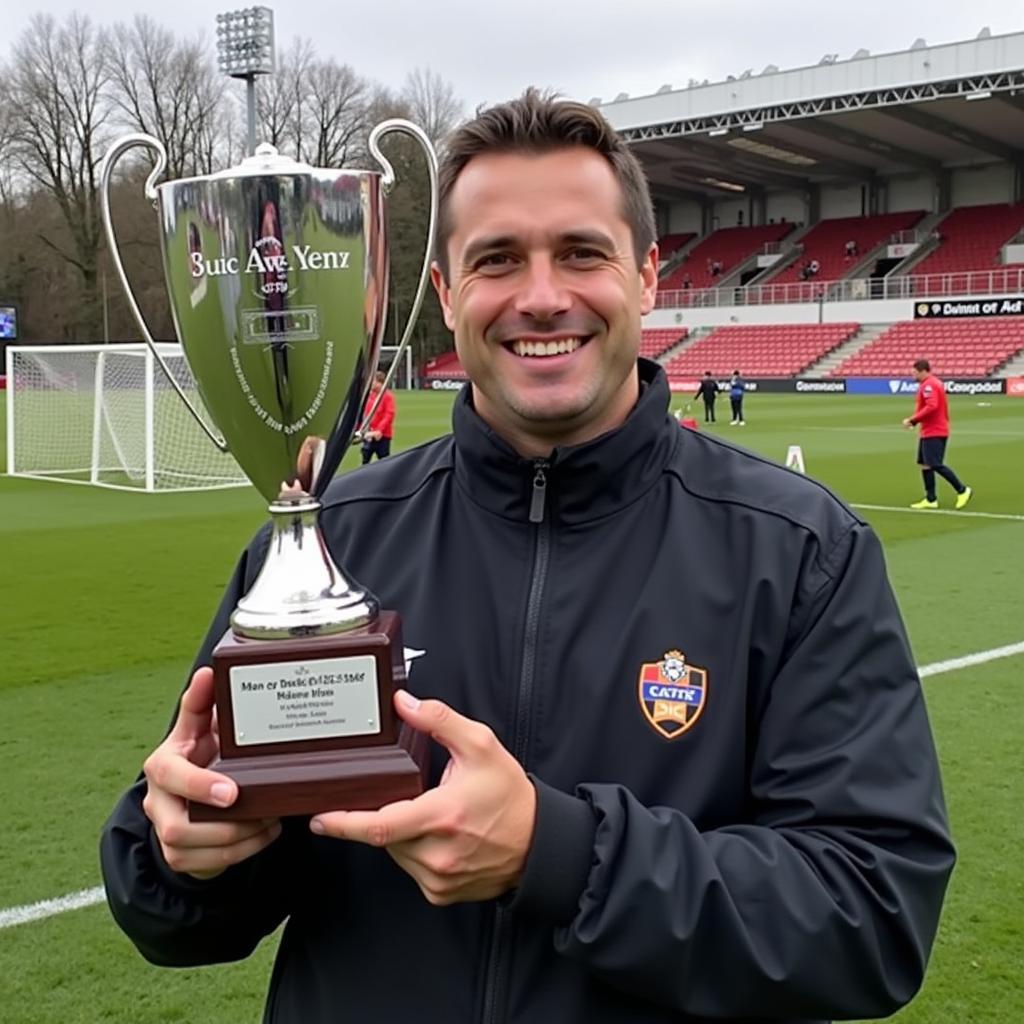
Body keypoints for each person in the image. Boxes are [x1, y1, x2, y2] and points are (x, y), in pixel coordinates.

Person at [100, 89, 953, 1024]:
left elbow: (873, 916)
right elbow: (177, 918)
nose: (542, 296)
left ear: (648, 276)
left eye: (582, 252)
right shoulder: (329, 537)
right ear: (446, 293)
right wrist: (185, 846)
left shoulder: (799, 552)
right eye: (498, 259)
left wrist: (560, 855)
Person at [903, 358, 972, 510]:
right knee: (924, 463)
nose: (912, 375)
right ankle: (931, 498)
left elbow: (932, 406)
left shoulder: (929, 385)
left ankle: (962, 490)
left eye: (914, 372)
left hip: (934, 431)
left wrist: (913, 419)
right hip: (929, 430)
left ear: (922, 371)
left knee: (935, 464)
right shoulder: (932, 383)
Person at [359, 369, 396, 463]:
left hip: (382, 435)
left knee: (384, 461)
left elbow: (389, 414)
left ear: (379, 383)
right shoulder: (369, 396)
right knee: (365, 460)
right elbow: (364, 415)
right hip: (369, 434)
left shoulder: (387, 396)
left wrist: (379, 430)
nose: (371, 384)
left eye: (373, 381)